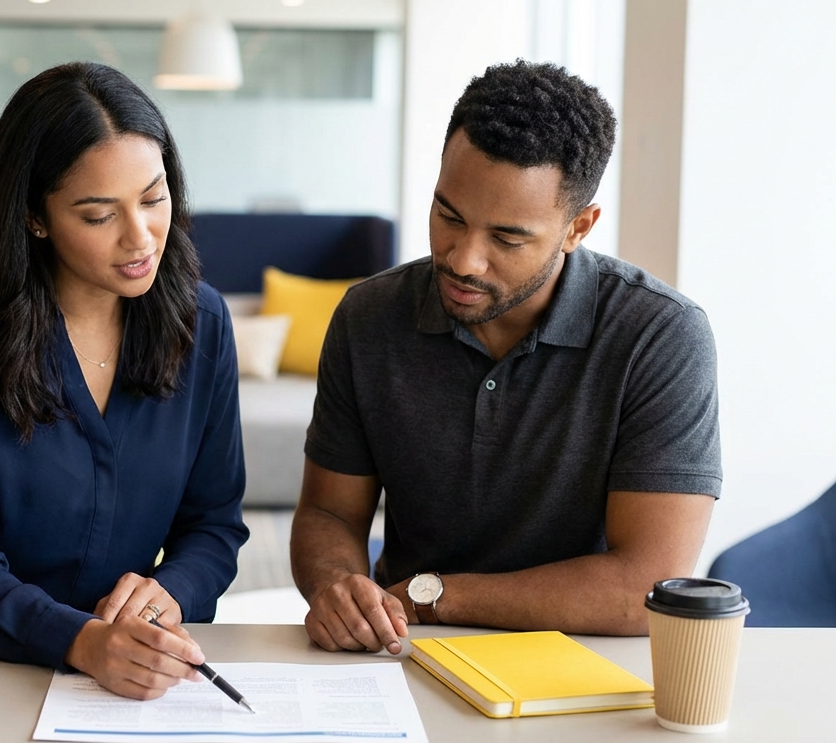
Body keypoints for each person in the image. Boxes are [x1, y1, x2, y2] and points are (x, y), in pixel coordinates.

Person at [291, 60, 721, 655]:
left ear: (579, 227)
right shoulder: (369, 317)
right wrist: (338, 584)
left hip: (587, 656)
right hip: (406, 654)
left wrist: (430, 596)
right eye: (449, 216)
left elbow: (641, 589)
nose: (464, 259)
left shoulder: (660, 335)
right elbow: (327, 514)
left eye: (508, 238)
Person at [0, 62, 249, 701]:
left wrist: (170, 592)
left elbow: (214, 524)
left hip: (115, 644)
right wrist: (81, 642)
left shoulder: (200, 322)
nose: (140, 237)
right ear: (34, 218)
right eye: (99, 216)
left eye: (154, 199)